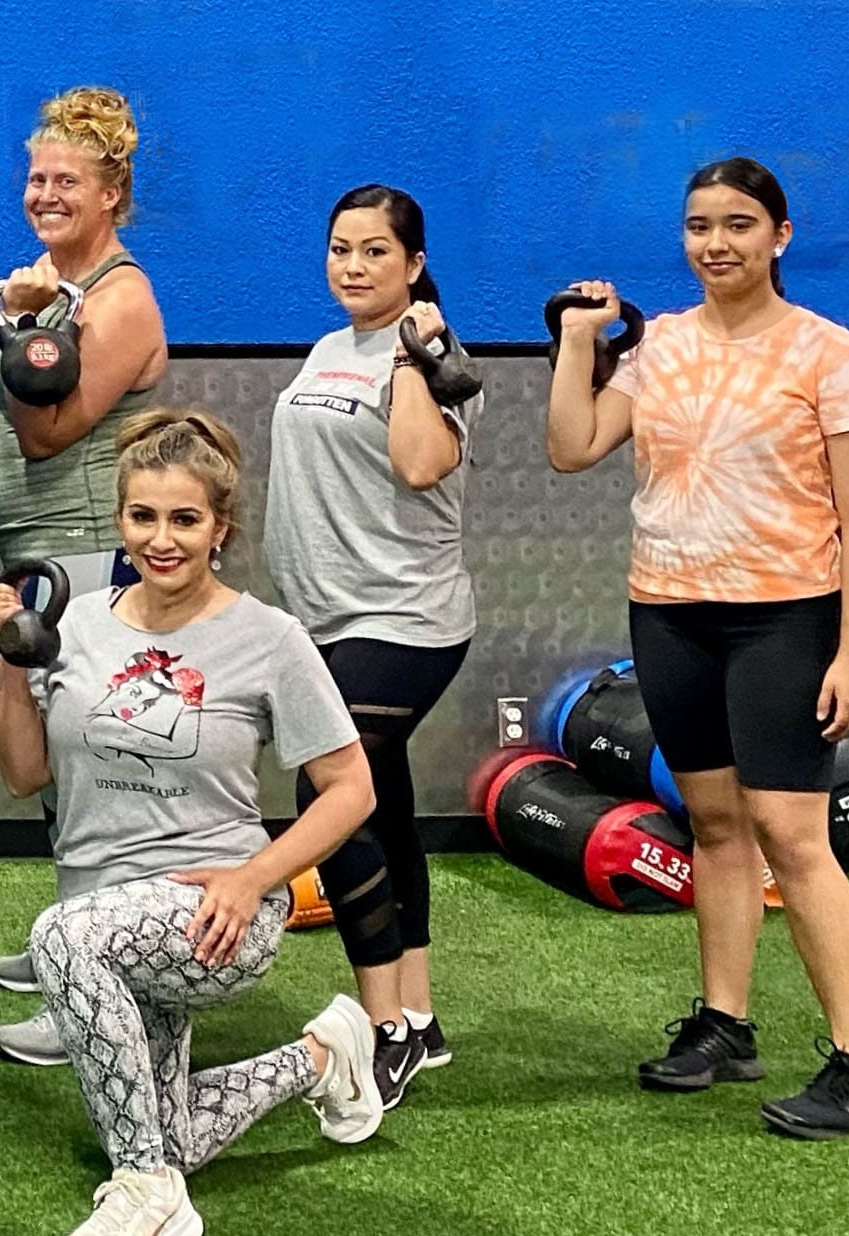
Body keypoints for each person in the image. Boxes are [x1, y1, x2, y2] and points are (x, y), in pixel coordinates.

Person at [0, 410, 383, 1236]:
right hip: (102, 909)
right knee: (170, 1126)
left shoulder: (269, 640)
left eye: (185, 520)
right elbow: (21, 775)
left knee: (60, 942)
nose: (161, 540)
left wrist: (255, 877)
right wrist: (14, 664)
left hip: (213, 911)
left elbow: (354, 789)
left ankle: (147, 1196)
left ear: (221, 527)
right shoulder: (81, 623)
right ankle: (324, 1054)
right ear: (122, 519)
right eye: (143, 517)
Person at [546, 156, 849, 1138]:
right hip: (669, 613)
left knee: (793, 838)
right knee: (714, 824)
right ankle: (724, 1023)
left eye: (736, 225)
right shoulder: (662, 347)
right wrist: (573, 341)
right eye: (697, 226)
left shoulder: (825, 353)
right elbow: (570, 445)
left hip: (786, 614)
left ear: (780, 235)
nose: (714, 243)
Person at [263, 184, 480, 1107]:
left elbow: (422, 464)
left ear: (415, 264)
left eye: (375, 253)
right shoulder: (325, 347)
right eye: (341, 249)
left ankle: (381, 1026)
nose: (353, 267)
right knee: (382, 809)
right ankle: (421, 1021)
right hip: (322, 619)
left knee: (331, 788)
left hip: (403, 618)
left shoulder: (435, 358)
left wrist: (410, 362)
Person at [0, 86, 172, 1065]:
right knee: (62, 776)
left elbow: (50, 432)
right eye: (36, 177)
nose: (45, 194)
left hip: (92, 558)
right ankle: (71, 944)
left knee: (90, 774)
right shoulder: (55, 290)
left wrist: (14, 335)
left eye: (67, 181)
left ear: (111, 194)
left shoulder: (119, 297)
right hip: (41, 555)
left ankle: (89, 992)